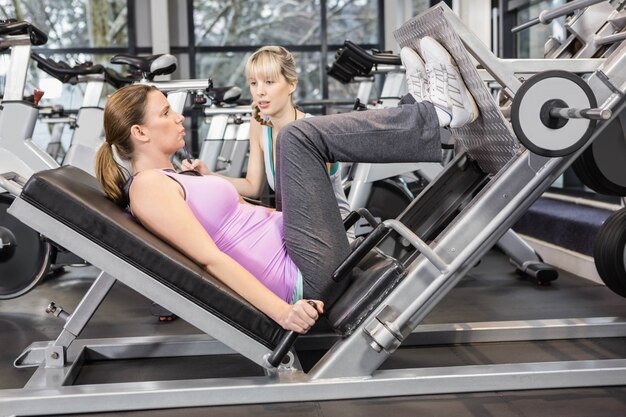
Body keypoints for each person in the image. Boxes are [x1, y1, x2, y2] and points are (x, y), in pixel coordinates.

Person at [95, 36, 479, 334]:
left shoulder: (171, 177)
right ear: (140, 132)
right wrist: (283, 312)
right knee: (294, 137)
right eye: (165, 112)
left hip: (300, 247)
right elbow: (209, 259)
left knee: (293, 135)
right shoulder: (147, 187)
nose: (177, 117)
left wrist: (207, 179)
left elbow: (254, 213)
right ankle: (437, 114)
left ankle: (424, 108)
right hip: (300, 275)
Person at [182, 45, 352, 218]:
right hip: (297, 227)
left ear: (292, 84)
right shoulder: (259, 125)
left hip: (333, 229)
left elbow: (314, 206)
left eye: (269, 82)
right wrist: (208, 175)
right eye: (254, 83)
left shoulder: (312, 130)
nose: (260, 92)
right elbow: (252, 187)